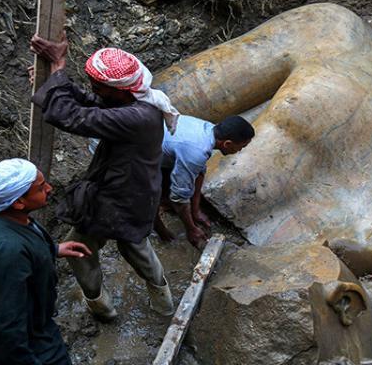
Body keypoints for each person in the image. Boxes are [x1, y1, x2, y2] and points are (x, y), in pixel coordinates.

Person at [29, 34, 178, 321]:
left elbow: (74, 116)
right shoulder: (137, 101)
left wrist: (58, 68)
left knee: (116, 248)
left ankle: (121, 309)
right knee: (120, 246)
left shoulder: (136, 117)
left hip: (123, 198)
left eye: (98, 84)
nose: (92, 88)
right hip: (124, 194)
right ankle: (150, 307)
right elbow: (91, 101)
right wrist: (52, 82)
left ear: (120, 90)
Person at [0, 158, 92, 365]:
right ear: (18, 202)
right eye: (40, 188)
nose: (49, 188)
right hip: (22, 341)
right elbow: (5, 331)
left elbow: (21, 238)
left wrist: (52, 249)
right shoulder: (7, 254)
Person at [153, 115, 254, 247]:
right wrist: (191, 229)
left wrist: (196, 210)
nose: (239, 151)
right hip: (136, 152)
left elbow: (199, 171)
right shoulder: (196, 151)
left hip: (159, 144)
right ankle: (158, 227)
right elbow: (179, 198)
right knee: (150, 194)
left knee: (178, 184)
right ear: (227, 143)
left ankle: (165, 203)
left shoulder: (209, 130)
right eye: (241, 147)